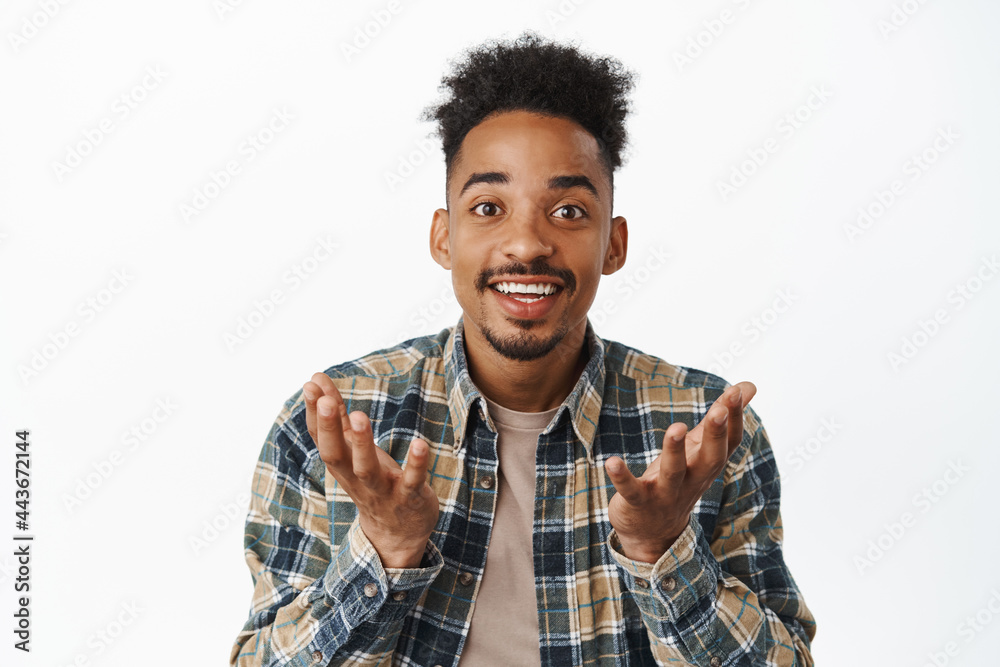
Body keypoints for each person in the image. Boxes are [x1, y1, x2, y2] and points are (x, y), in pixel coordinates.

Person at [230, 30, 816, 667]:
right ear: (443, 237)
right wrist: (384, 546)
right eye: (488, 207)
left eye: (567, 211)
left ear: (613, 245)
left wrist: (663, 549)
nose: (527, 244)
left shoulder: (706, 432)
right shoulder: (334, 424)